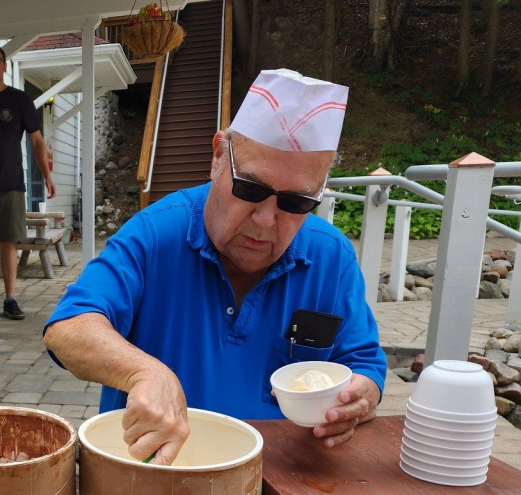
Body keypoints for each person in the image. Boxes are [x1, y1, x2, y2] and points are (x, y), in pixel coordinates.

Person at [44, 69, 387, 466]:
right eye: (250, 189)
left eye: (296, 202)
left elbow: (363, 363)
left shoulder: (331, 256)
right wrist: (143, 372)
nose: (265, 220)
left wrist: (361, 397)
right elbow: (68, 330)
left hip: (285, 483)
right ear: (218, 157)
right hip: (161, 478)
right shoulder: (156, 234)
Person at [0, 42, 56, 320]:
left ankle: (10, 298)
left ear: (4, 66)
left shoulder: (20, 100)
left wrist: (46, 176)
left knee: (8, 243)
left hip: (11, 184)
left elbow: (37, 141)